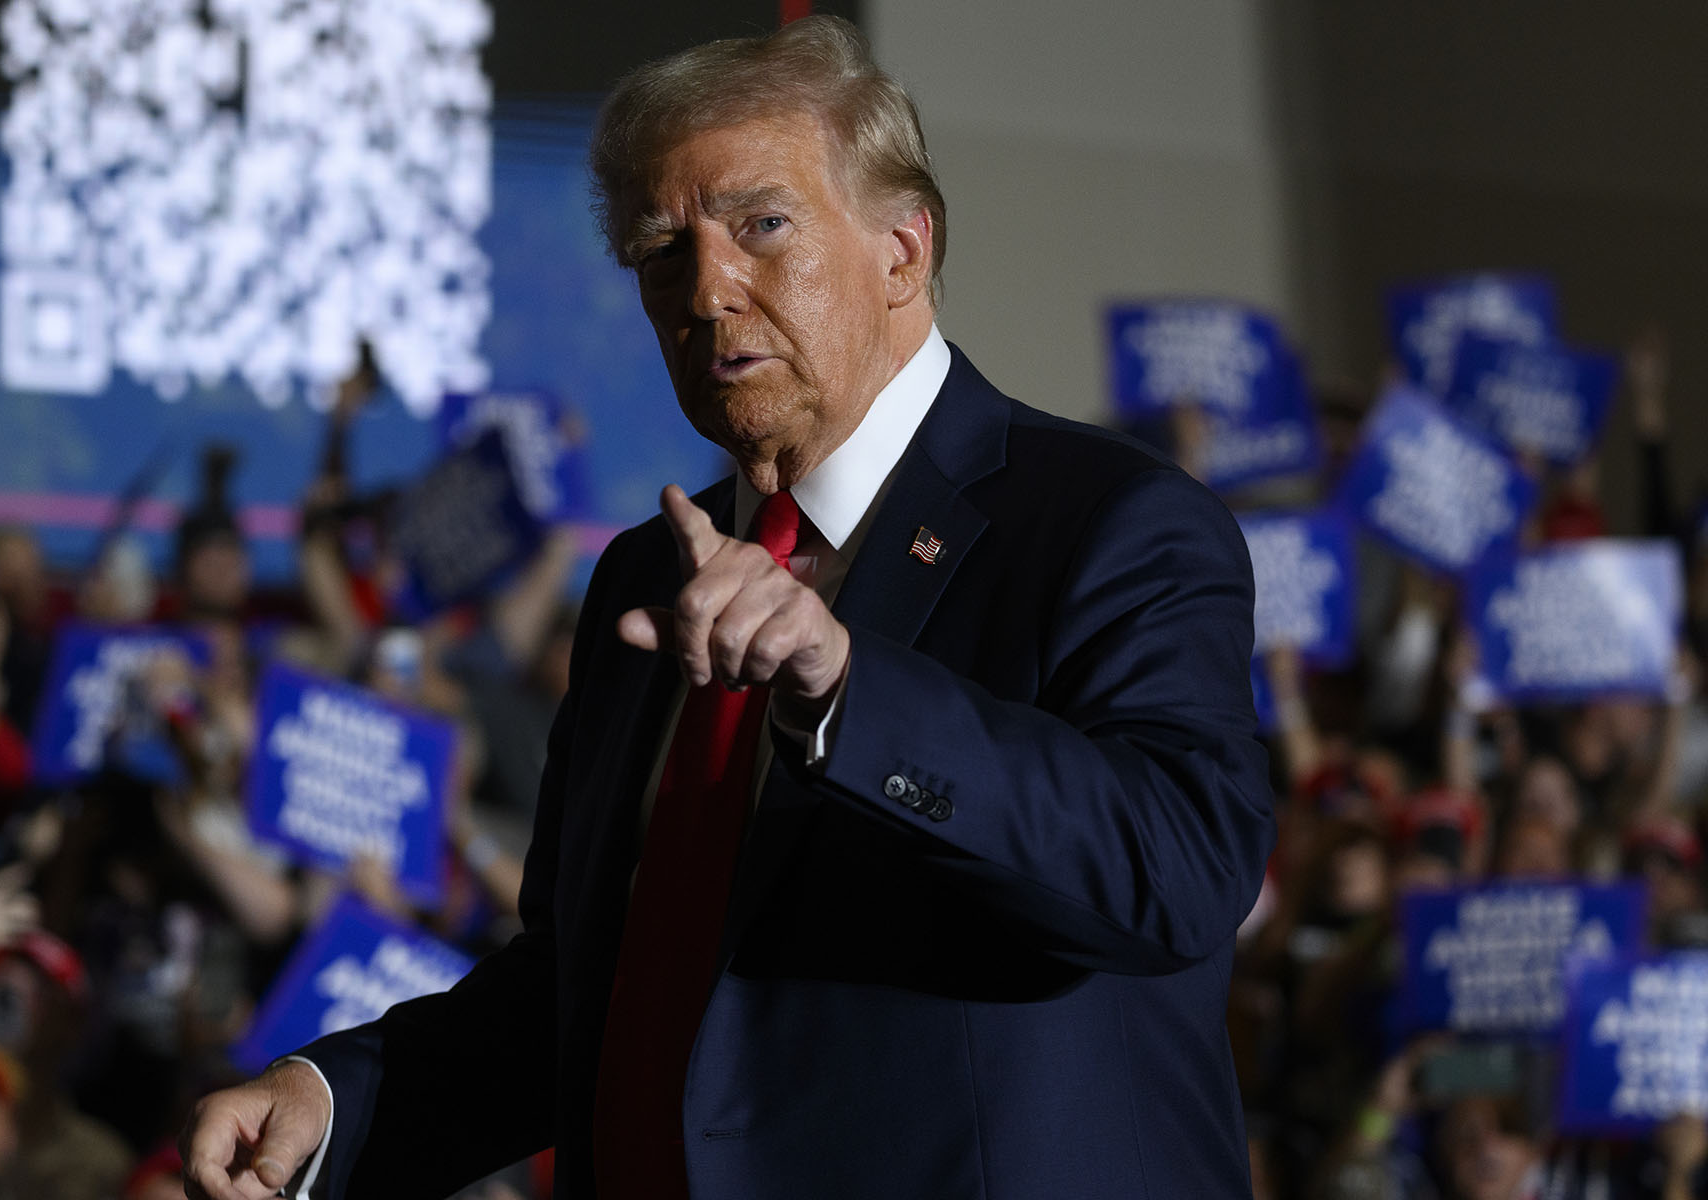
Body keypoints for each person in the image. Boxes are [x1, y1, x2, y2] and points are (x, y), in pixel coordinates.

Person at [181, 16, 1273, 1200]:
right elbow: (591, 986)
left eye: (762, 225)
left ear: (904, 250)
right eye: (664, 253)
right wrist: (336, 1104)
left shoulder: (1113, 521)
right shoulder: (649, 579)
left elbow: (1181, 874)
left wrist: (851, 695)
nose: (706, 290)